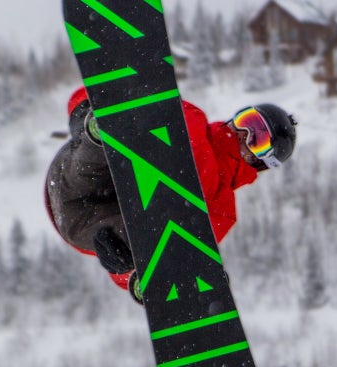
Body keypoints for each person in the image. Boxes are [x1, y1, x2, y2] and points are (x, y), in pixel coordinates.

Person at [44, 85, 297, 304]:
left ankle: (158, 279)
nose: (245, 133)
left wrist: (131, 274)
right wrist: (83, 108)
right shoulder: (192, 116)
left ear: (262, 162)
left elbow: (171, 249)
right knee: (103, 156)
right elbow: (123, 89)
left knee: (151, 235)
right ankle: (99, 129)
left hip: (85, 223)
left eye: (259, 139)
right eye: (249, 121)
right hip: (79, 178)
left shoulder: (221, 209)